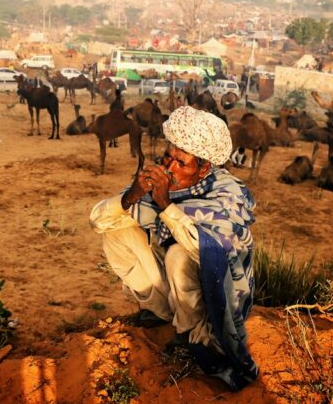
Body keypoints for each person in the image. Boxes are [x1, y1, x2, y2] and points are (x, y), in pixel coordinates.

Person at [90, 105, 259, 391]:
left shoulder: (229, 194)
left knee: (179, 254)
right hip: (178, 285)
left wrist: (166, 205)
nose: (170, 167)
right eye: (168, 156)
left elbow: (208, 252)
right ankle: (158, 311)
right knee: (117, 229)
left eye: (182, 162)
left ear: (204, 167)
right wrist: (132, 195)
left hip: (217, 296)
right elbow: (97, 220)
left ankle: (194, 338)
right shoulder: (165, 181)